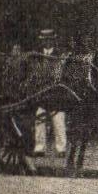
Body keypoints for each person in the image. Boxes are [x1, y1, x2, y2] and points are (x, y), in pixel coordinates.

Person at [32, 29, 67, 158]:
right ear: (42, 41)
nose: (47, 42)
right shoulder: (37, 55)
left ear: (53, 41)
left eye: (49, 40)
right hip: (42, 94)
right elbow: (34, 73)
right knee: (39, 119)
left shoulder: (60, 55)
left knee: (58, 121)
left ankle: (61, 148)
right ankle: (39, 148)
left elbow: (60, 74)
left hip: (55, 94)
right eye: (44, 40)